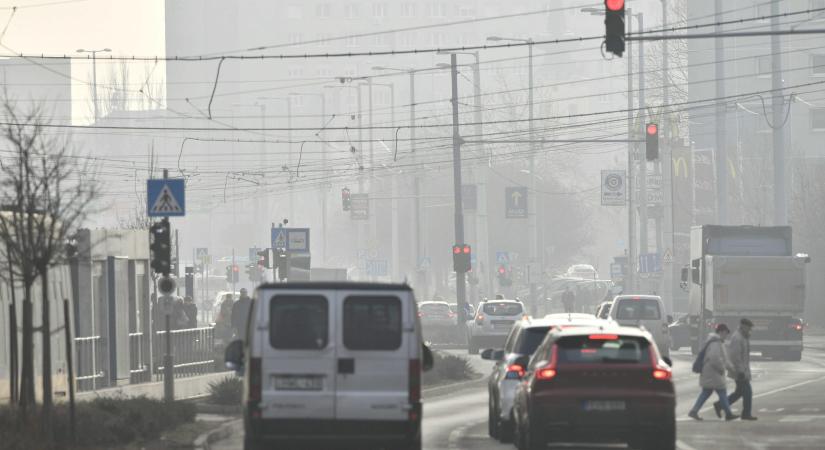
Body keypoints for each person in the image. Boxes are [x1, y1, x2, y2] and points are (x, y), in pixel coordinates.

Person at [688, 323, 739, 421]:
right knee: (722, 391)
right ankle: (728, 413)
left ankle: (694, 411)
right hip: (713, 372)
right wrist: (722, 368)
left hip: (710, 371)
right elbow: (714, 358)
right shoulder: (716, 343)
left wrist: (730, 368)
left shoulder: (715, 341)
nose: (726, 336)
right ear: (721, 332)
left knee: (706, 392)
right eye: (725, 333)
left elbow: (723, 359)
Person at [716, 318, 757, 420]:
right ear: (743, 326)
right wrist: (740, 371)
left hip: (742, 370)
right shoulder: (737, 338)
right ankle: (746, 413)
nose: (750, 329)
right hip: (739, 371)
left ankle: (720, 405)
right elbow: (735, 357)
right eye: (748, 327)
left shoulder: (743, 337)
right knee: (748, 392)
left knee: (739, 393)